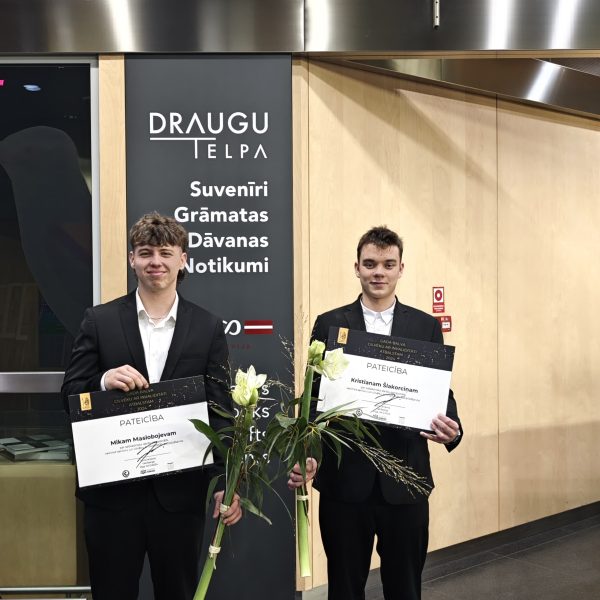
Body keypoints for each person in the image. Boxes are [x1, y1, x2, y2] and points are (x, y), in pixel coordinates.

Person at [61, 212, 242, 600]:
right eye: (145, 253)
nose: (155, 261)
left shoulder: (208, 327)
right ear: (132, 260)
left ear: (183, 260)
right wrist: (103, 381)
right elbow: (70, 394)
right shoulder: (99, 320)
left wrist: (225, 484)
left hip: (179, 496)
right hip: (111, 497)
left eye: (165, 252)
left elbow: (220, 410)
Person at [289, 226, 462, 600]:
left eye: (387, 264)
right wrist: (309, 453)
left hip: (406, 482)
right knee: (344, 589)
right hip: (344, 483)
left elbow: (438, 392)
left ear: (401, 268)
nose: (378, 272)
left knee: (405, 589)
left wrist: (454, 428)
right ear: (357, 268)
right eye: (370, 264)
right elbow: (314, 399)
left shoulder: (425, 326)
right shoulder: (330, 323)